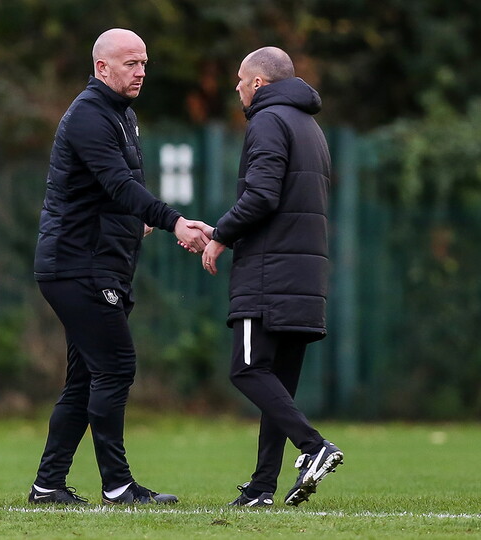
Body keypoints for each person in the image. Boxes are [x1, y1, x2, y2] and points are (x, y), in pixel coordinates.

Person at [28, 28, 209, 506]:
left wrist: (139, 223)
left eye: (144, 62)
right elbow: (118, 184)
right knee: (116, 367)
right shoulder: (89, 115)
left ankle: (48, 486)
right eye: (131, 63)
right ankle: (118, 485)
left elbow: (117, 189)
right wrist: (173, 222)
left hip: (94, 264)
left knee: (87, 376)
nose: (141, 71)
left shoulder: (121, 114)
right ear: (102, 68)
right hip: (77, 266)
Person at [199, 46, 343, 508]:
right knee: (276, 383)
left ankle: (314, 446)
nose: (237, 88)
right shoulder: (310, 126)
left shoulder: (267, 120)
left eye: (241, 80)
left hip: (269, 275)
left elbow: (261, 196)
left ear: (258, 83)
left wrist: (220, 234)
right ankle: (262, 487)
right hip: (304, 275)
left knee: (247, 370)